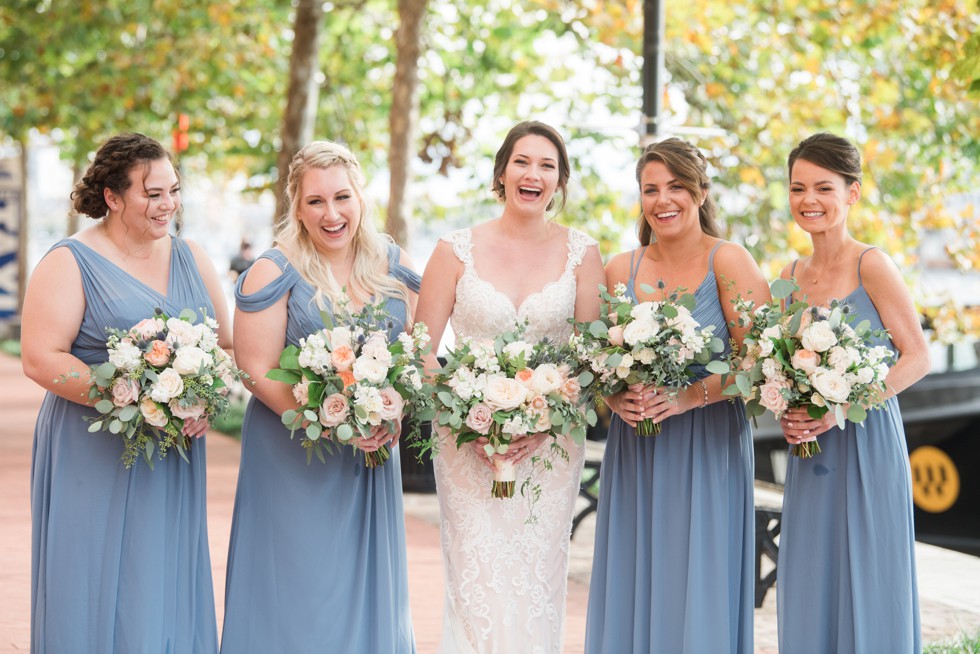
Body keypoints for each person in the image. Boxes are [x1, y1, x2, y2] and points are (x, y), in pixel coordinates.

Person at [21, 132, 229, 652]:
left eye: (173, 191)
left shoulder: (192, 257)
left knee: (159, 575)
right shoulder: (70, 261)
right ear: (112, 198)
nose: (168, 205)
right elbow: (40, 358)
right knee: (88, 577)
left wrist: (202, 398)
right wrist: (134, 397)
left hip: (173, 452)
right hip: (90, 447)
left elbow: (225, 345)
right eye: (152, 194)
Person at [220, 141, 419, 653]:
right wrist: (330, 423)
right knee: (299, 588)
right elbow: (255, 368)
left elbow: (419, 356)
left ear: (360, 197)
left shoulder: (394, 266)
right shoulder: (275, 269)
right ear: (296, 205)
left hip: (371, 455)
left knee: (364, 588)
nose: (331, 214)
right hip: (295, 455)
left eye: (342, 197)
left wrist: (394, 411)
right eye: (315, 202)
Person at [415, 120, 605, 653]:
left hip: (551, 447)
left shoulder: (583, 254)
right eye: (522, 161)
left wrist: (543, 428)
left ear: (560, 182)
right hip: (465, 443)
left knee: (536, 574)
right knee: (476, 575)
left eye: (547, 166)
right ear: (501, 173)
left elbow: (588, 361)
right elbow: (421, 352)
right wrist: (466, 417)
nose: (533, 174)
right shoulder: (455, 250)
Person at [585, 138, 769, 653]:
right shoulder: (622, 269)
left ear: (701, 191)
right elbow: (598, 360)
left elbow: (759, 363)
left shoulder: (728, 260)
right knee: (637, 572)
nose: (663, 200)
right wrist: (613, 396)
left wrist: (690, 396)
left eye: (676, 187)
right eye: (651, 189)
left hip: (707, 448)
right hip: (636, 451)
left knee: (697, 579)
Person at [776, 133, 927, 653]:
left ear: (852, 193)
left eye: (823, 187)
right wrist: (786, 411)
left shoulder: (872, 265)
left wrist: (845, 404)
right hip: (810, 448)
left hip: (866, 441)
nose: (809, 200)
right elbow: (783, 367)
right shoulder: (789, 276)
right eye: (798, 188)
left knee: (870, 573)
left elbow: (917, 357)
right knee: (810, 576)